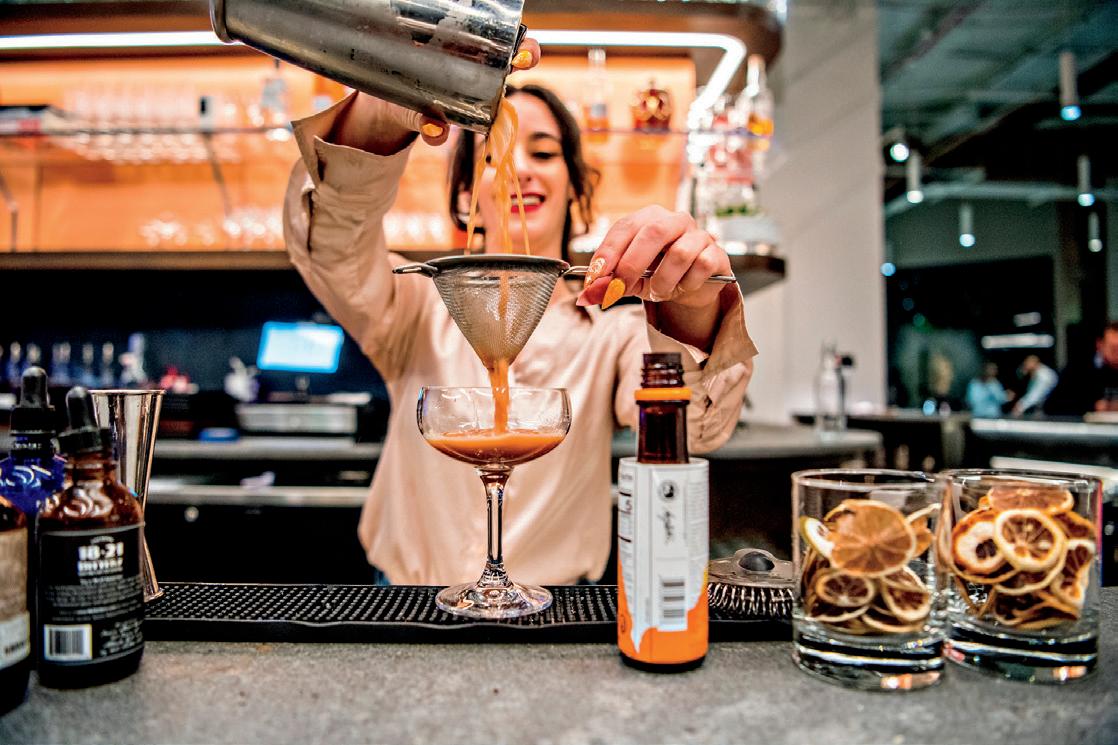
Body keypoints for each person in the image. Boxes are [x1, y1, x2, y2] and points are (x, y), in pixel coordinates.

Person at [281, 42, 756, 585]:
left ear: (576, 188)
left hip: (552, 608)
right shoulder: (412, 306)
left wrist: (692, 304)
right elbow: (332, 244)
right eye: (493, 157)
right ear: (466, 194)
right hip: (409, 602)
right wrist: (376, 117)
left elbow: (695, 427)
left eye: (545, 153)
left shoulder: (615, 333)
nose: (520, 170)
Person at [1046, 321, 1118, 415]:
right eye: (1114, 349)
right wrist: (1093, 406)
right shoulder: (1078, 369)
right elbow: (1053, 406)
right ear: (1100, 345)